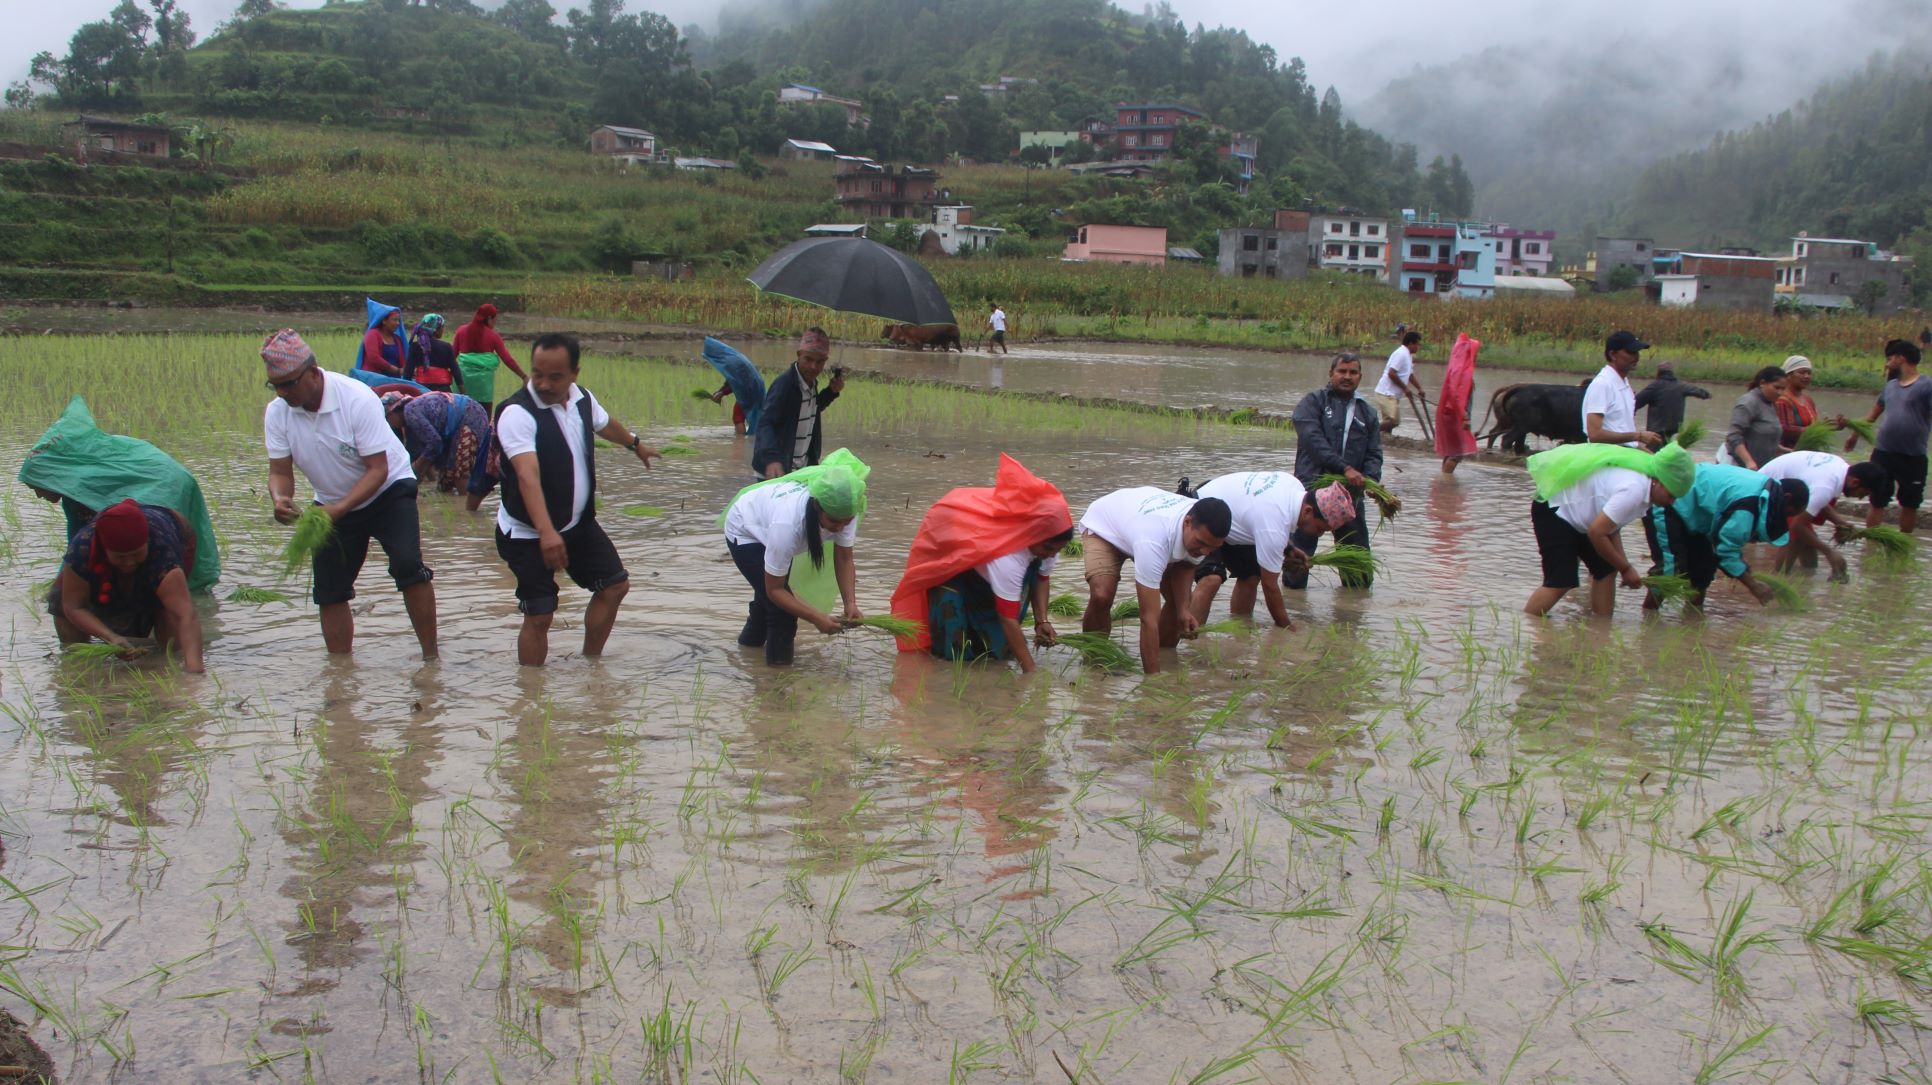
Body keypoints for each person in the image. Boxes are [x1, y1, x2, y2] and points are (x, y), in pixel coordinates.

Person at [261, 328, 438, 657]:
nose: (283, 393)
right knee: (329, 590)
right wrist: (279, 498)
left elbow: (377, 469)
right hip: (331, 501)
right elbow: (279, 472)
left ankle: (431, 657)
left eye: (289, 383)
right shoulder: (277, 413)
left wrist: (339, 509)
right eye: (276, 385)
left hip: (388, 489)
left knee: (407, 566)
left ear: (312, 373)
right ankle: (340, 671)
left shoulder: (355, 398)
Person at [493, 333, 662, 667]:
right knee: (540, 615)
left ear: (574, 374)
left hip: (577, 525)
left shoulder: (582, 398)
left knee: (614, 587)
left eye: (555, 376)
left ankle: (591, 665)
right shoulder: (517, 414)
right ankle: (532, 694)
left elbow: (603, 424)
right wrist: (546, 532)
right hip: (528, 534)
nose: (543, 383)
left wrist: (634, 443)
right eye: (537, 373)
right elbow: (528, 476)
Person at [17, 395, 221, 592]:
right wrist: (64, 586)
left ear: (50, 478)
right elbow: (78, 543)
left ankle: (173, 596)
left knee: (154, 549)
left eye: (36, 487)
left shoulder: (90, 478)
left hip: (163, 483)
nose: (38, 495)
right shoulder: (76, 490)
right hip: (153, 477)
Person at [889, 454, 1070, 673]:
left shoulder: (1049, 545)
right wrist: (1030, 672)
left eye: (1056, 550)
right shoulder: (1008, 558)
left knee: (996, 653)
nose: (1051, 555)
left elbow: (1042, 578)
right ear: (1031, 535)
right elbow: (1007, 617)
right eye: (1048, 549)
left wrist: (1042, 620)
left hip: (987, 578)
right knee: (954, 653)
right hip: (955, 576)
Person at [722, 448, 870, 666]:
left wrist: (851, 603)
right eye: (832, 522)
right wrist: (816, 617)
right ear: (816, 506)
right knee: (782, 613)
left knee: (768, 602)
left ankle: (747, 656)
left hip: (769, 523)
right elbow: (775, 589)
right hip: (745, 530)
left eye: (845, 522)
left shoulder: (845, 509)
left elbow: (844, 558)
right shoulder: (788, 524)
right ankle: (777, 685)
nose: (839, 528)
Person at [1522, 441, 1695, 616]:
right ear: (1658, 481)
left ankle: (1601, 631)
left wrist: (1622, 565)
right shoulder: (1634, 490)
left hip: (1583, 517)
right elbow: (1597, 533)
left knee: (1606, 570)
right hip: (1556, 510)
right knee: (1561, 581)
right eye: (1670, 495)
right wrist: (1626, 568)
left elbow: (1612, 528)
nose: (1671, 502)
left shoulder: (1646, 487)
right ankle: (1528, 623)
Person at [1076, 488, 1230, 674]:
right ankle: (1094, 661)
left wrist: (1183, 610)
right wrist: (1153, 682)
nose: (1205, 552)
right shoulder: (1155, 539)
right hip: (1105, 527)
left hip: (1136, 524)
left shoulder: (1201, 532)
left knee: (1177, 601)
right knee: (1102, 595)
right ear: (1187, 523)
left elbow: (1186, 566)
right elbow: (1148, 618)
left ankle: (1165, 655)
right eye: (1201, 543)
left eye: (1212, 548)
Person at [50, 499, 204, 673]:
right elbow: (73, 607)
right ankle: (81, 669)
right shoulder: (82, 547)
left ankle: (166, 668)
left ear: (146, 544)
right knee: (58, 601)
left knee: (165, 609)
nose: (129, 562)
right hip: (103, 550)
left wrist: (194, 673)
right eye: (120, 557)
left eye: (137, 554)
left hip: (174, 530)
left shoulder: (162, 552)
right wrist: (111, 638)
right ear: (104, 550)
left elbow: (186, 614)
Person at [1189, 474, 1355, 628]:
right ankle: (1192, 639)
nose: (1319, 534)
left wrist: (1288, 548)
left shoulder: (1294, 486)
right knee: (1211, 578)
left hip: (1237, 517)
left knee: (1251, 575)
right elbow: (1270, 587)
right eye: (1320, 528)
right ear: (1307, 511)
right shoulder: (1274, 523)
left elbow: (1268, 521)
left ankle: (1240, 629)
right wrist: (1287, 628)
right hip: (1202, 509)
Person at [1645, 462, 1807, 609]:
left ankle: (1692, 621)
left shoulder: (1765, 489)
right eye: (1790, 513)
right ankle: (1649, 620)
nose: (1786, 518)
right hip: (1669, 502)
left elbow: (1723, 544)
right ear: (1787, 498)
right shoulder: (1749, 506)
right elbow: (1725, 553)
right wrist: (1753, 585)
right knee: (1670, 569)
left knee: (1703, 571)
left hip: (1697, 515)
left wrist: (1743, 570)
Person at [1289, 351, 1383, 588]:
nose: (1347, 377)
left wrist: (1371, 480)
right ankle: (1293, 605)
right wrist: (1346, 468)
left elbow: (1374, 454)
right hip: (1311, 491)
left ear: (1360, 377)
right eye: (1342, 371)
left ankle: (1355, 611)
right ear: (1331, 374)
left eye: (1353, 372)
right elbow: (1313, 441)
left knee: (1357, 566)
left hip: (1349, 495)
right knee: (1297, 559)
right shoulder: (1313, 402)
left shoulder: (1367, 413)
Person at [1759, 451, 1892, 579]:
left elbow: (1816, 499)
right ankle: (1778, 580)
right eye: (1863, 493)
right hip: (1762, 493)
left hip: (1782, 490)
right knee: (1798, 537)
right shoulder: (1826, 486)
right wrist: (1829, 552)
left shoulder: (1840, 468)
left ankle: (1806, 579)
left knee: (1809, 541)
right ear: (1855, 482)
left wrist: (1840, 522)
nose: (1860, 498)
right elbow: (1796, 525)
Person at [1848, 338, 1932, 533]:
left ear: (1900, 358)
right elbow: (1872, 414)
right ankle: (1871, 541)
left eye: (1889, 358)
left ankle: (1902, 543)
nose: (1886, 364)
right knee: (1877, 499)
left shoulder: (1926, 385)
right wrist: (1854, 434)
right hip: (1883, 453)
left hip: (1913, 456)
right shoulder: (1890, 387)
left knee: (1910, 503)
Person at [380, 390, 497, 512]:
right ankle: (455, 510)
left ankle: (466, 514)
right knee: (444, 485)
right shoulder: (409, 420)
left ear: (393, 412)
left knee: (460, 473)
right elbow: (425, 454)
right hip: (453, 428)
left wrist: (417, 470)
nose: (389, 425)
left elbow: (434, 444)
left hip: (470, 415)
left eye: (387, 419)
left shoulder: (410, 413)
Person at [753, 328, 844, 479]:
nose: (813, 367)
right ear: (799, 355)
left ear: (826, 361)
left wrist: (831, 392)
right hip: (776, 471)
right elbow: (765, 423)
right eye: (808, 359)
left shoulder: (810, 383)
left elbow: (809, 411)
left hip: (800, 470)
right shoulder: (785, 385)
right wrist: (772, 459)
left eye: (819, 362)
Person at [1583, 330, 1661, 448]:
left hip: (1624, 454)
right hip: (1607, 457)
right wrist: (1638, 436)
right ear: (1613, 355)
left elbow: (1628, 438)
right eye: (1631, 352)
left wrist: (1655, 459)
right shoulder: (1602, 384)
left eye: (1637, 352)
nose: (1636, 357)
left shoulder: (1624, 384)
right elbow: (1594, 435)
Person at [451, 303, 529, 414]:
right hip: (483, 388)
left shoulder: (461, 331)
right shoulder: (493, 337)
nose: (495, 323)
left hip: (461, 385)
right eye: (495, 320)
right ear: (489, 318)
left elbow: (452, 357)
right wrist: (524, 376)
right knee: (483, 417)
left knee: (459, 417)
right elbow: (507, 360)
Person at [1724, 366, 1791, 470]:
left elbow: (1764, 438)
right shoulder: (1748, 402)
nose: (1780, 393)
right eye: (1776, 387)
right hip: (1743, 468)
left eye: (1783, 389)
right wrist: (1749, 462)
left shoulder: (1771, 404)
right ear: (1762, 383)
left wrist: (1784, 451)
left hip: (1764, 467)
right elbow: (1733, 436)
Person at [1632, 360, 1711, 443]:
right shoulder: (1681, 386)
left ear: (1658, 373)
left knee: (1653, 453)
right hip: (1675, 429)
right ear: (1672, 373)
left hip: (1657, 430)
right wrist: (1707, 394)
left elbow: (1635, 403)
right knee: (1669, 450)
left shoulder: (1654, 387)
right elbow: (1698, 391)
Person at [1435, 332, 1480, 472]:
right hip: (1457, 417)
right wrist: (1464, 417)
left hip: (1450, 416)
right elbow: (1458, 396)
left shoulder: (1455, 370)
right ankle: (1447, 482)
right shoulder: (1465, 373)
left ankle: (1443, 480)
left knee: (1450, 451)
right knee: (1457, 454)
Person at [1373, 330, 1423, 434]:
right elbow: (1391, 373)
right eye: (1417, 344)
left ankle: (1384, 441)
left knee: (1388, 425)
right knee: (1393, 420)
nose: (1418, 347)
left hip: (1392, 395)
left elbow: (1410, 374)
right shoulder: (1401, 354)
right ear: (1410, 344)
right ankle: (1369, 433)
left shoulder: (1408, 355)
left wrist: (1419, 388)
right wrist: (1405, 388)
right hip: (1386, 393)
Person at [354, 299, 408, 380]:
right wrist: (396, 370)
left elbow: (402, 360)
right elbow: (374, 358)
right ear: (384, 321)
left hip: (394, 379)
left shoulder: (397, 339)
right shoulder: (373, 334)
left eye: (399, 320)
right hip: (375, 379)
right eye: (394, 320)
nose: (398, 323)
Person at [405, 314, 460, 392]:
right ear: (436, 329)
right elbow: (455, 371)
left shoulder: (415, 346)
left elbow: (408, 372)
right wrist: (462, 392)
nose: (443, 330)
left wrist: (406, 392)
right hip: (443, 390)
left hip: (421, 390)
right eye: (442, 327)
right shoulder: (446, 347)